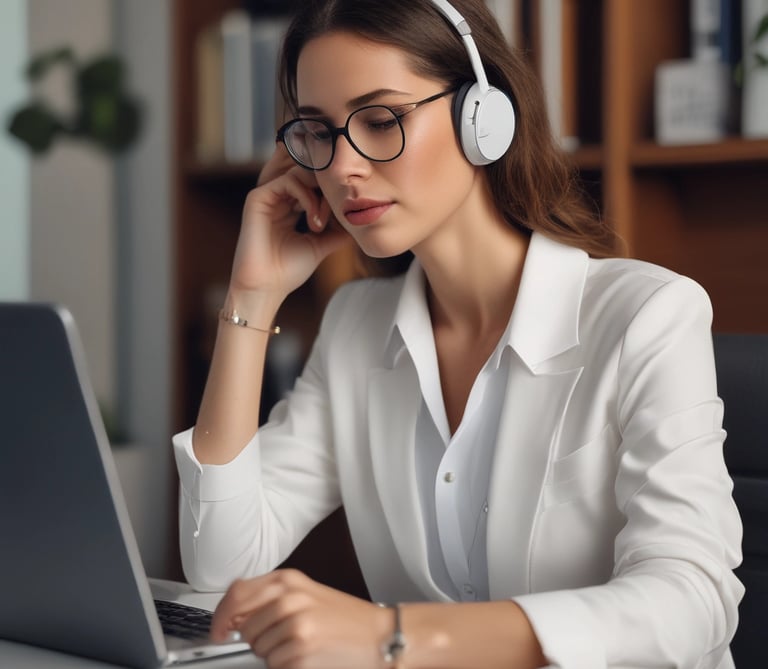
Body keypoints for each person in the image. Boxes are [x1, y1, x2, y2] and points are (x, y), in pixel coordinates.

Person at [173, 0, 744, 667]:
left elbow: (692, 599)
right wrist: (252, 297)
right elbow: (219, 560)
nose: (343, 168)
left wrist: (392, 636)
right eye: (318, 132)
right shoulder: (356, 325)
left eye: (381, 120)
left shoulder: (649, 314)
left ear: (483, 117)